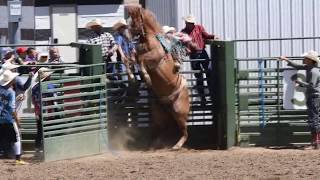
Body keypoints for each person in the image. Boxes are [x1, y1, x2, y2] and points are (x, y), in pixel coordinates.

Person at [279, 50, 320, 149]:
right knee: (314, 117)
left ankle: (316, 142)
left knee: (314, 118)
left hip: (314, 96)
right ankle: (316, 142)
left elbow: (311, 85)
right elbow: (297, 66)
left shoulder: (313, 71)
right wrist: (286, 59)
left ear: (310, 60)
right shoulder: (310, 68)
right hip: (314, 96)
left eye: (305, 58)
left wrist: (299, 82)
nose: (303, 59)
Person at [181, 15, 218, 104]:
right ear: (186, 23)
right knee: (199, 76)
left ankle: (211, 95)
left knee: (209, 72)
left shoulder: (199, 28)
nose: (192, 24)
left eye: (192, 23)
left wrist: (213, 36)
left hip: (202, 52)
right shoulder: (183, 32)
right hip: (193, 55)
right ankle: (203, 98)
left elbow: (206, 35)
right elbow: (182, 44)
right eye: (190, 23)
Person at [0, 70, 29, 165]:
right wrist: (17, 121)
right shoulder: (11, 92)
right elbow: (12, 109)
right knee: (16, 137)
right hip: (8, 118)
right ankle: (18, 159)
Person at [31, 68, 55, 151]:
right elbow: (54, 97)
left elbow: (33, 100)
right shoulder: (49, 86)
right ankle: (49, 148)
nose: (50, 76)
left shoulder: (34, 88)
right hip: (48, 111)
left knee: (40, 131)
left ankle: (37, 148)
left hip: (39, 112)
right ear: (47, 77)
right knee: (49, 129)